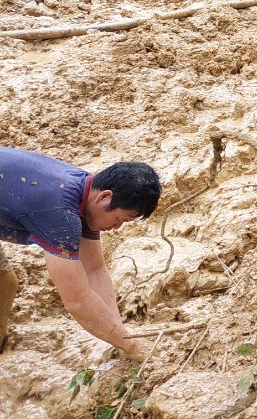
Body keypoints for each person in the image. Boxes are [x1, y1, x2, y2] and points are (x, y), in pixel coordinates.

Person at [1, 148, 162, 359]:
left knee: (5, 282)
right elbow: (76, 302)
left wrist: (120, 333)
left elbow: (94, 269)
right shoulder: (59, 212)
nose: (117, 227)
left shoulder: (87, 192)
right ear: (105, 197)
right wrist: (130, 346)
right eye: (120, 219)